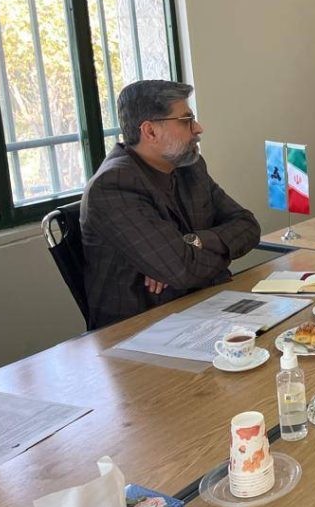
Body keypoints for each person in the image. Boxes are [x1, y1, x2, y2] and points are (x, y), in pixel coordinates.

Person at [81, 80, 261, 329]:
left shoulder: (190, 167)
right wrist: (193, 258)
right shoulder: (113, 185)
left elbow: (248, 226)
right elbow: (181, 270)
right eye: (186, 120)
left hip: (204, 306)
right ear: (150, 132)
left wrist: (193, 242)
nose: (198, 128)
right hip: (141, 329)